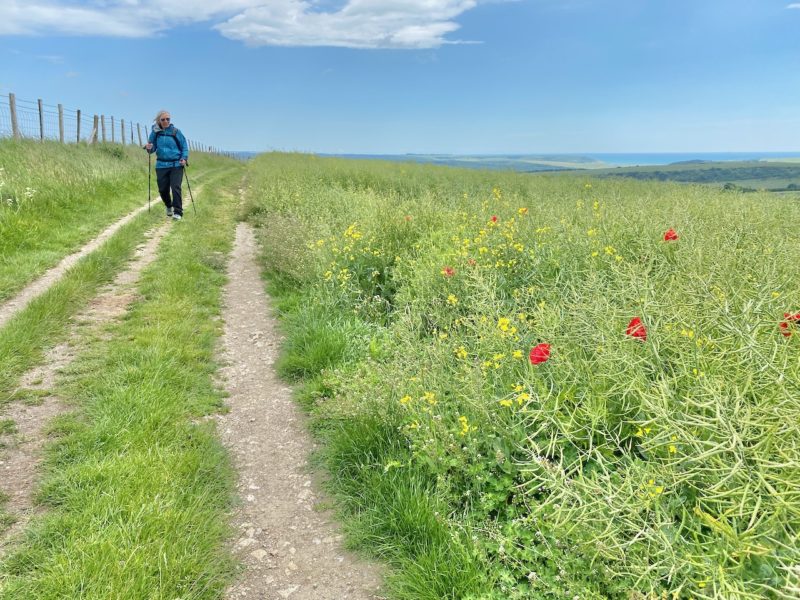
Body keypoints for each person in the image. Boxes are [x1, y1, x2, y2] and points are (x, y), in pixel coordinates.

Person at [145, 110, 189, 221]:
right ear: (159, 120)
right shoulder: (155, 132)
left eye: (168, 119)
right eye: (163, 119)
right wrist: (149, 148)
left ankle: (178, 212)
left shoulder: (175, 132)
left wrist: (184, 158)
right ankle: (169, 205)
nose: (166, 121)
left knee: (176, 188)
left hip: (176, 164)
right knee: (163, 190)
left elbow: (184, 146)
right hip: (161, 165)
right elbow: (152, 149)